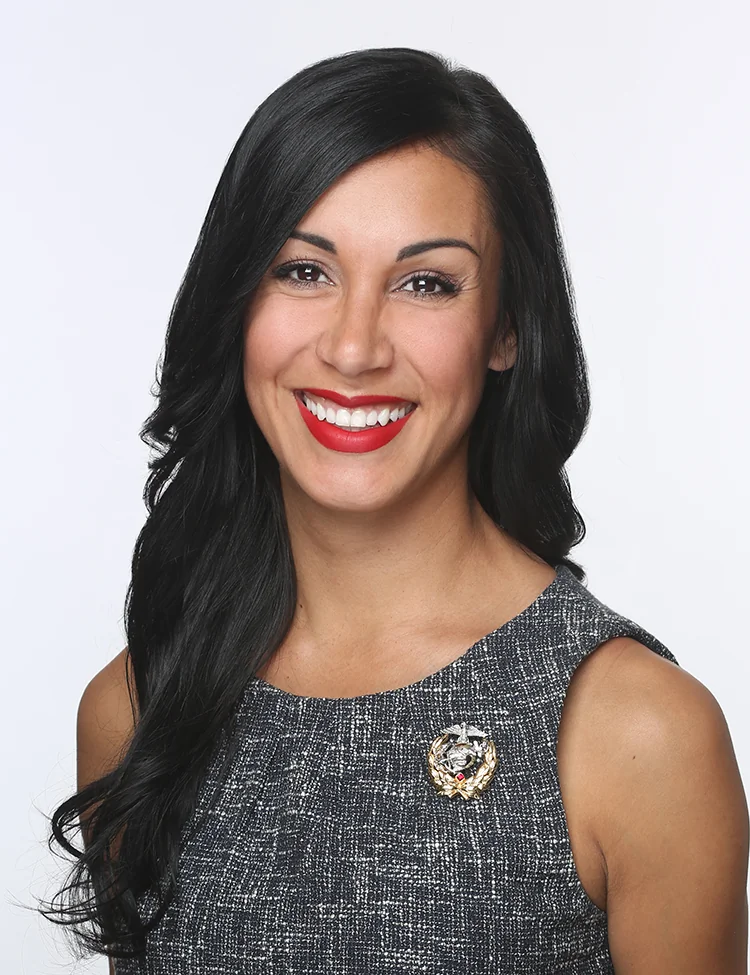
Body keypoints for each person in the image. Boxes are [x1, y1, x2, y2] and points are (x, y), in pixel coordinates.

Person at [42, 47, 748, 973]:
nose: (353, 347)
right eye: (304, 270)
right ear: (236, 301)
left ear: (506, 328)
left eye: (426, 283)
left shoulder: (637, 735)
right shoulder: (140, 709)